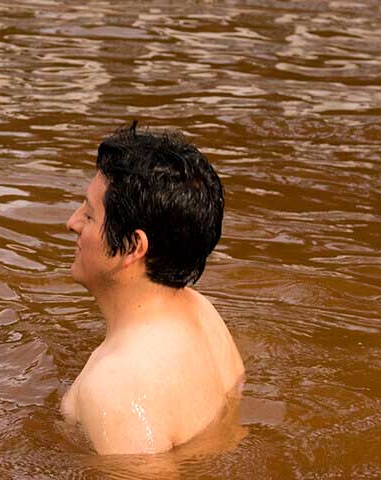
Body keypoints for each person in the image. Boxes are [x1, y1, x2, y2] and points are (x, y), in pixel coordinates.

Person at [60, 125, 245, 455]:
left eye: (89, 214)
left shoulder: (114, 388)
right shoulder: (202, 312)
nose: (72, 222)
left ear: (133, 246)